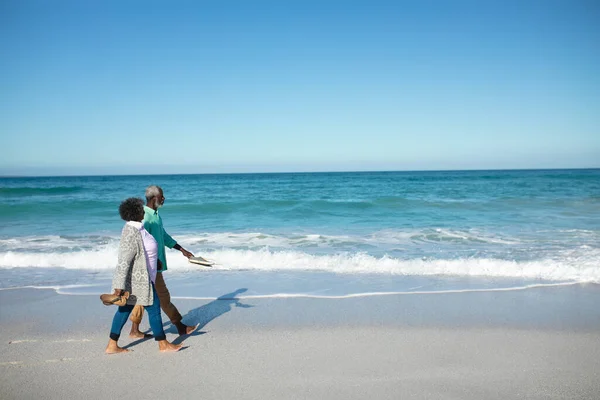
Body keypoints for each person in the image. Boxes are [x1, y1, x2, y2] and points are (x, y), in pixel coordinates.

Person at [106, 197, 181, 354]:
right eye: (140, 209)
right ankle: (163, 344)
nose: (143, 211)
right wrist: (118, 287)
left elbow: (143, 252)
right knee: (154, 310)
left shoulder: (139, 228)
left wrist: (156, 264)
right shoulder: (130, 232)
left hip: (144, 277)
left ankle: (112, 345)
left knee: (124, 311)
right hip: (139, 281)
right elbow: (123, 260)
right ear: (136, 212)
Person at [129, 185, 198, 338]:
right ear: (155, 198)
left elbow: (164, 236)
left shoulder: (156, 215)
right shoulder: (146, 217)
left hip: (154, 265)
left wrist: (181, 249)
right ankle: (180, 326)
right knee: (163, 297)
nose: (164, 198)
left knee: (143, 296)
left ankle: (134, 330)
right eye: (162, 196)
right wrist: (146, 264)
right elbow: (139, 242)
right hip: (151, 266)